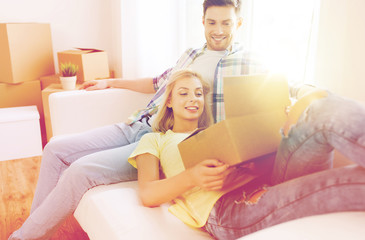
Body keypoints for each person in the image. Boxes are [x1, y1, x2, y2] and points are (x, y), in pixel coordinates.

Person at [6, 0, 332, 239]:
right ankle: (39, 226)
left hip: (168, 141)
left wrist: (310, 93)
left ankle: (24, 236)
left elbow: (287, 85)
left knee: (81, 171)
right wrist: (110, 82)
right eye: (212, 22)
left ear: (238, 24)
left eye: (226, 24)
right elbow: (156, 82)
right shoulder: (191, 53)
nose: (218, 31)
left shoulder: (252, 61)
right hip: (138, 123)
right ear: (203, 22)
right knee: (56, 148)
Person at [129, 68, 365, 240]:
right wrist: (192, 177)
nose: (194, 99)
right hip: (229, 208)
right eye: (184, 93)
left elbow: (261, 165)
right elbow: (148, 194)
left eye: (199, 93)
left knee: (322, 110)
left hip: (268, 180)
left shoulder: (217, 132)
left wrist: (277, 133)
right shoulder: (154, 139)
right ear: (169, 100)